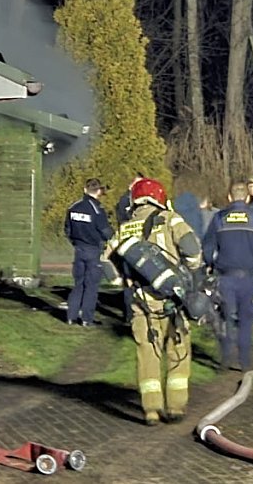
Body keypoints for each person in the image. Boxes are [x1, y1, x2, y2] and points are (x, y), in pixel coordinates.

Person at [110, 178, 202, 425]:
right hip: (173, 299)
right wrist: (191, 269)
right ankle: (176, 407)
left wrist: (123, 283)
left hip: (141, 302)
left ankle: (151, 410)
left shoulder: (125, 227)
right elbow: (192, 247)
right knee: (178, 349)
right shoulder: (171, 218)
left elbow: (105, 263)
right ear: (159, 197)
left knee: (147, 353)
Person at [202, 182, 253, 372]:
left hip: (225, 277)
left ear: (229, 197)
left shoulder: (219, 218)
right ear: (248, 198)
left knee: (226, 318)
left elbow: (208, 247)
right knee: (246, 320)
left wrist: (209, 264)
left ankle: (225, 359)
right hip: (249, 279)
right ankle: (245, 362)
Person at [64, 178, 114, 326]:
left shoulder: (73, 207)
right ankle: (87, 319)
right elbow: (106, 232)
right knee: (91, 286)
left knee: (78, 284)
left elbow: (67, 229)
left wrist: (75, 242)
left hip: (78, 250)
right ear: (99, 191)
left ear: (85, 189)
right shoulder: (97, 209)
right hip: (93, 250)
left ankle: (71, 317)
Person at [113, 174, 145, 326]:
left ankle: (141, 313)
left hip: (140, 246)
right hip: (128, 246)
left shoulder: (141, 201)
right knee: (129, 282)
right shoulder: (125, 201)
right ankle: (130, 315)